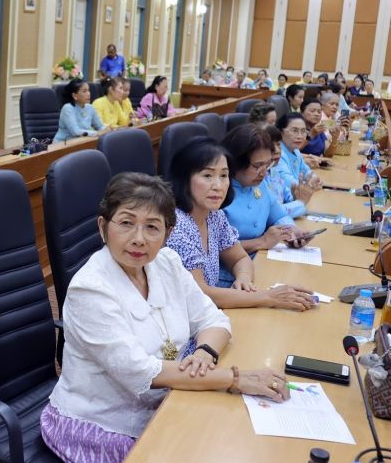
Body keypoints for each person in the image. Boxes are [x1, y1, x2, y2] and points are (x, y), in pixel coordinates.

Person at [40, 172, 291, 463]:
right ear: (103, 227)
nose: (138, 239)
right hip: (101, 423)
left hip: (167, 400)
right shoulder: (91, 289)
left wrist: (204, 353)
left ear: (168, 233)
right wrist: (234, 379)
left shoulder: (167, 263)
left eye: (152, 227)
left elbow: (213, 319)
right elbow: (143, 372)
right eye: (125, 223)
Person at [166, 138, 314, 310]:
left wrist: (243, 277)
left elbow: (240, 258)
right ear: (183, 178)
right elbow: (199, 293)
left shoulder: (214, 216)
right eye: (207, 175)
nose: (218, 186)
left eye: (223, 175)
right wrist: (267, 297)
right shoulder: (177, 226)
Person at [220, 125, 313, 286]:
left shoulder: (259, 184)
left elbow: (279, 215)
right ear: (235, 162)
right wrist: (261, 242)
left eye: (267, 165)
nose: (264, 172)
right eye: (257, 166)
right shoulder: (217, 192)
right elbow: (213, 248)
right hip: (227, 277)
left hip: (259, 264)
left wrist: (291, 232)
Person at [264, 125, 314, 219]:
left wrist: (296, 198)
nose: (277, 150)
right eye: (270, 146)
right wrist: (300, 203)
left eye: (278, 144)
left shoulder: (274, 172)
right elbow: (271, 213)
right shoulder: (259, 179)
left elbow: (289, 199)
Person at [276, 113, 328, 188]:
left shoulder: (296, 151)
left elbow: (306, 171)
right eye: (294, 131)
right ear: (281, 132)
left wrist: (315, 178)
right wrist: (310, 184)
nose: (300, 136)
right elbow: (290, 184)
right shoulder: (278, 155)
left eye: (303, 131)